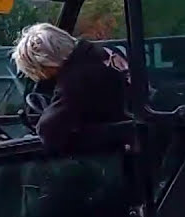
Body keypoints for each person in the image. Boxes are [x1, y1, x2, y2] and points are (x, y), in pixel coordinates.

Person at [11, 22, 130, 156]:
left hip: (116, 153)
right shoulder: (97, 56)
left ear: (46, 63)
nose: (38, 76)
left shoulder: (77, 80)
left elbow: (49, 131)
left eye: (36, 70)